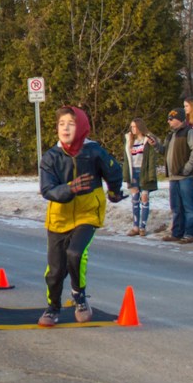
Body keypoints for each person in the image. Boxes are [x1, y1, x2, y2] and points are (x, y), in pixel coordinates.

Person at [38, 106, 124, 326]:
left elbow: (114, 171)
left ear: (82, 126)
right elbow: (47, 190)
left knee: (75, 253)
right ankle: (53, 307)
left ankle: (79, 296)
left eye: (71, 123)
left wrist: (114, 191)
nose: (65, 128)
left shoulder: (93, 151)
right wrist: (70, 188)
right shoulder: (51, 157)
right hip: (59, 216)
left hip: (87, 212)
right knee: (55, 270)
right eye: (61, 124)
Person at [158, 107, 193, 244]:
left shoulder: (189, 132)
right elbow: (165, 152)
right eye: (169, 119)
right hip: (173, 177)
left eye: (172, 119)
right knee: (176, 207)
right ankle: (177, 232)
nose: (169, 121)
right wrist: (156, 145)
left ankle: (191, 233)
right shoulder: (170, 135)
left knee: (188, 206)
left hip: (185, 177)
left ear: (180, 119)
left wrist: (187, 169)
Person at [122, 118, 159, 237]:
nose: (133, 129)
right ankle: (135, 226)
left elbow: (152, 159)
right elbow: (127, 160)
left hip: (144, 172)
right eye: (131, 127)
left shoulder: (147, 140)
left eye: (135, 127)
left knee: (144, 198)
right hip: (133, 172)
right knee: (134, 199)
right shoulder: (129, 140)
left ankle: (143, 226)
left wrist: (151, 175)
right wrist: (127, 175)